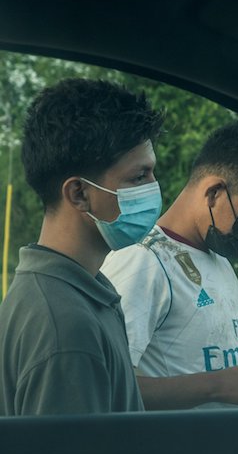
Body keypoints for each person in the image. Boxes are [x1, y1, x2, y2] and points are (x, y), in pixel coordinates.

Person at [102, 120, 238, 409]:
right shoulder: (143, 262)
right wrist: (217, 386)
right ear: (214, 193)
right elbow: (109, 386)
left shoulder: (219, 261)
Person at [0, 78, 162, 415]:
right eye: (138, 177)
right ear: (78, 194)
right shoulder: (66, 328)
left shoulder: (81, 291)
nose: (154, 188)